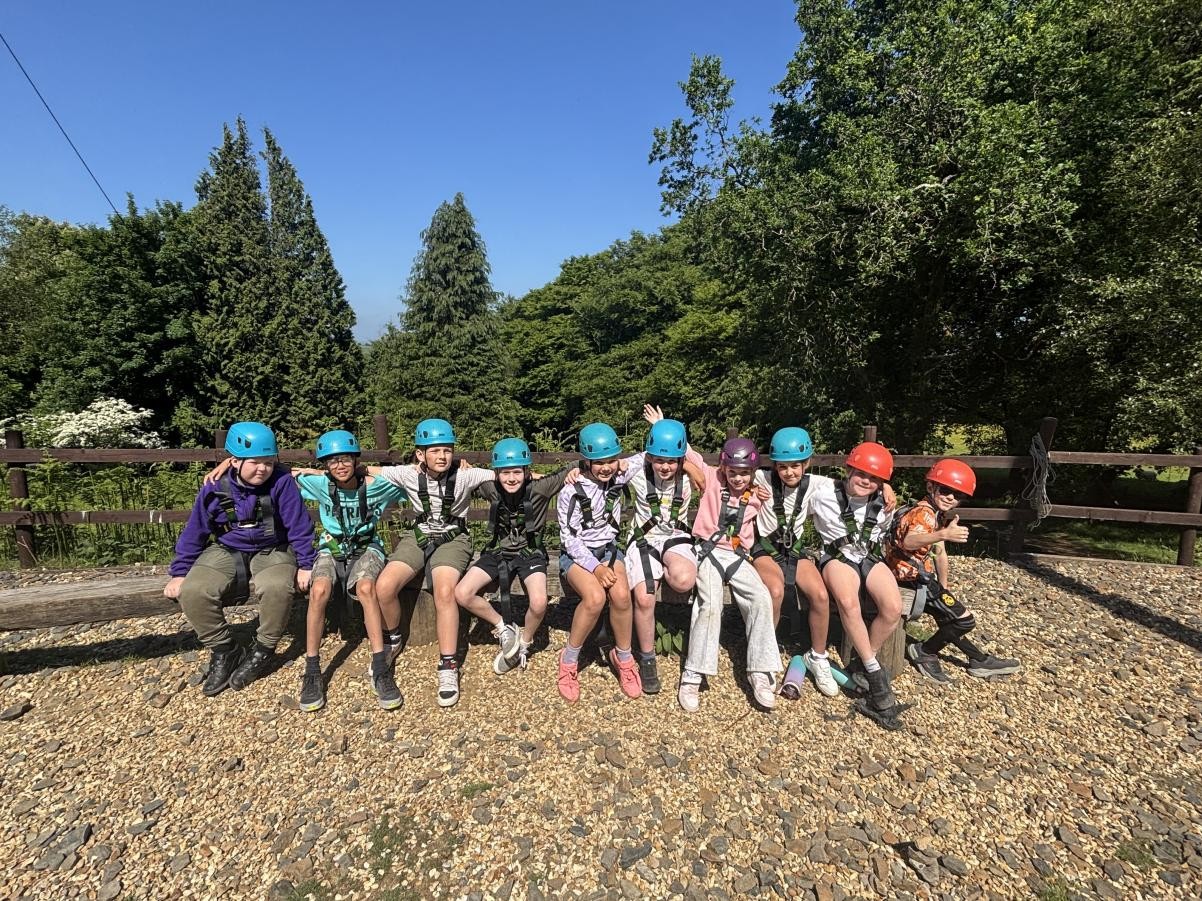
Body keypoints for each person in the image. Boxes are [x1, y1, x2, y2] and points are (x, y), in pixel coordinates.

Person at [164, 422, 315, 697]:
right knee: (194, 590)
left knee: (277, 587)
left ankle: (263, 649)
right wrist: (180, 571)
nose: (263, 469)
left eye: (268, 463)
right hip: (227, 547)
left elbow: (299, 525)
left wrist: (305, 565)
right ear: (234, 461)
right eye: (255, 462)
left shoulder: (282, 482)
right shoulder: (215, 486)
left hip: (273, 548)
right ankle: (225, 649)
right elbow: (196, 528)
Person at [753, 427, 895, 698]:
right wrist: (749, 489)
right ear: (774, 465)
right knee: (775, 592)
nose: (790, 472)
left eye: (796, 466)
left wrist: (886, 485)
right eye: (782, 467)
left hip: (794, 551)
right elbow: (728, 472)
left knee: (819, 595)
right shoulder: (760, 477)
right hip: (767, 549)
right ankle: (764, 658)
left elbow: (854, 482)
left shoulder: (818, 485)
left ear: (807, 464)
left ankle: (817, 656)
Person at [370, 418, 496, 708]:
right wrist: (310, 472)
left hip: (454, 539)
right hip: (418, 535)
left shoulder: (465, 476)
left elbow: (506, 474)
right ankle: (394, 636)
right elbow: (366, 470)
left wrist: (559, 476)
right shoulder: (407, 474)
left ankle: (448, 665)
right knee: (385, 586)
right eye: (435, 451)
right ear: (420, 454)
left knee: (444, 591)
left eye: (447, 450)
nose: (442, 457)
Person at [286, 431, 409, 711]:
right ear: (325, 465)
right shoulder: (319, 483)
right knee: (318, 591)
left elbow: (413, 478)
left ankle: (380, 666)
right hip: (332, 546)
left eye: (344, 459)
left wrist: (459, 465)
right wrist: (227, 463)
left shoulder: (376, 486)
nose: (339, 466)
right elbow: (278, 473)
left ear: (356, 460)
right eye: (332, 461)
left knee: (366, 588)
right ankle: (312, 669)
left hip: (368, 546)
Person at [885, 458, 1020, 682]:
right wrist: (943, 534)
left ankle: (978, 658)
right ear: (931, 487)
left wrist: (944, 588)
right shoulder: (923, 514)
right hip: (909, 579)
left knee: (949, 618)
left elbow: (939, 552)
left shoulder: (936, 514)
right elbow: (909, 541)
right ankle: (925, 651)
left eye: (957, 495)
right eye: (946, 490)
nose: (951, 497)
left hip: (920, 577)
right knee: (964, 621)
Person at [452, 438, 574, 676]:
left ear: (527, 472)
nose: (511, 478)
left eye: (517, 472)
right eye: (505, 472)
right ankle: (504, 628)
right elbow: (463, 477)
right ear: (496, 473)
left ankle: (524, 643)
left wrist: (576, 469)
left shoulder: (540, 488)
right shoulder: (490, 487)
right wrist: (460, 464)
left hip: (530, 553)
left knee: (539, 602)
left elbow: (567, 469)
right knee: (462, 593)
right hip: (499, 551)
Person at [679, 437, 781, 713]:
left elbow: (771, 523)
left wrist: (766, 501)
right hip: (709, 551)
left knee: (760, 598)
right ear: (724, 469)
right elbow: (691, 454)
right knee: (710, 604)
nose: (738, 478)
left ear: (753, 472)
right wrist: (665, 428)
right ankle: (693, 672)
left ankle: (760, 670)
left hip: (737, 555)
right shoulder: (712, 479)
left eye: (744, 473)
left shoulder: (758, 493)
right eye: (733, 472)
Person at [810, 441, 906, 730]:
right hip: (836, 557)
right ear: (848, 470)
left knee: (893, 608)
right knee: (849, 603)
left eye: (875, 478)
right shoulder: (823, 490)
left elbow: (887, 533)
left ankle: (864, 663)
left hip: (868, 556)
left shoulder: (884, 502)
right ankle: (876, 675)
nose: (866, 481)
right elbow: (785, 476)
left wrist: (886, 489)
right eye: (861, 474)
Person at [623, 406, 705, 694]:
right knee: (645, 597)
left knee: (683, 580)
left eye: (671, 461)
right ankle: (647, 659)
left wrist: (666, 427)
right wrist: (576, 472)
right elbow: (610, 466)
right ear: (650, 456)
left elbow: (699, 466)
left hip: (676, 537)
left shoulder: (689, 470)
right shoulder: (638, 469)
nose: (665, 467)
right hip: (644, 539)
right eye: (659, 460)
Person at [555, 422, 639, 702]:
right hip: (579, 556)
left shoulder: (618, 476)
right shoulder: (572, 490)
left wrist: (656, 429)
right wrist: (596, 567)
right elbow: (569, 538)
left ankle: (623, 657)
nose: (606, 468)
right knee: (594, 598)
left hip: (609, 550)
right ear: (587, 461)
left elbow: (651, 457)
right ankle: (569, 660)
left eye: (611, 460)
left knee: (622, 597)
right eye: (599, 462)